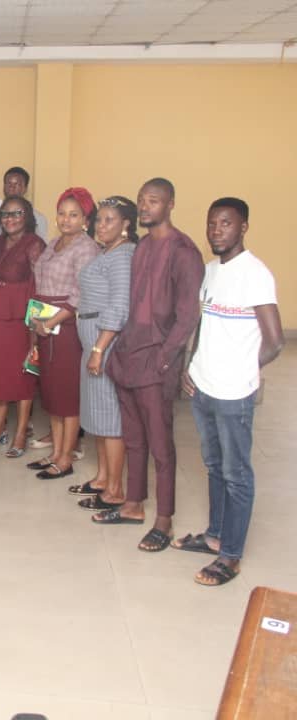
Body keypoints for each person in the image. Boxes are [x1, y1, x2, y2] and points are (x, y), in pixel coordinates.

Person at [174, 197, 283, 585]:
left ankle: (231, 556)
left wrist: (243, 374)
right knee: (215, 465)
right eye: (212, 224)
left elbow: (274, 341)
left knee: (237, 474)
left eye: (226, 223)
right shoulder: (209, 271)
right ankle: (216, 536)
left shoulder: (255, 274)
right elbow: (202, 325)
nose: (217, 231)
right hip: (203, 386)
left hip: (234, 393)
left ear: (243, 227)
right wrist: (192, 364)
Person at [97, 179, 205, 552]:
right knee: (135, 439)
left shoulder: (183, 251)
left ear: (170, 204)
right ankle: (133, 505)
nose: (144, 207)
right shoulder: (142, 246)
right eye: (141, 201)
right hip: (128, 358)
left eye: (153, 201)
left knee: (161, 446)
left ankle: (164, 520)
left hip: (156, 362)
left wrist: (164, 360)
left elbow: (188, 316)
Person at [26, 187, 100, 478]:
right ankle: (55, 452)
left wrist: (51, 322)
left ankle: (66, 458)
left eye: (74, 215)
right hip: (43, 323)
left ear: (85, 219)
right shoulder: (53, 243)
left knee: (68, 398)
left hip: (66, 328)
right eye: (62, 213)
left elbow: (79, 293)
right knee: (52, 396)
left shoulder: (86, 248)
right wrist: (36, 323)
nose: (66, 219)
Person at [70, 196, 136, 512]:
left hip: (105, 343)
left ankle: (115, 489)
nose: (102, 225)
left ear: (126, 224)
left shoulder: (123, 256)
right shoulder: (107, 252)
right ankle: (101, 478)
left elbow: (120, 306)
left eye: (110, 219)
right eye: (100, 219)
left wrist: (99, 348)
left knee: (110, 417)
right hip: (92, 340)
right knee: (97, 412)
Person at [0, 196, 46, 457]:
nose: (10, 219)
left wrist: (35, 326)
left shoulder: (35, 244)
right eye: (5, 214)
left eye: (16, 214)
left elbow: (40, 287)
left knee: (22, 376)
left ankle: (20, 432)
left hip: (22, 319)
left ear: (27, 217)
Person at [3, 167, 48, 241]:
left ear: (25, 189)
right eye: (9, 183)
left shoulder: (38, 219)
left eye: (17, 184)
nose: (12, 187)